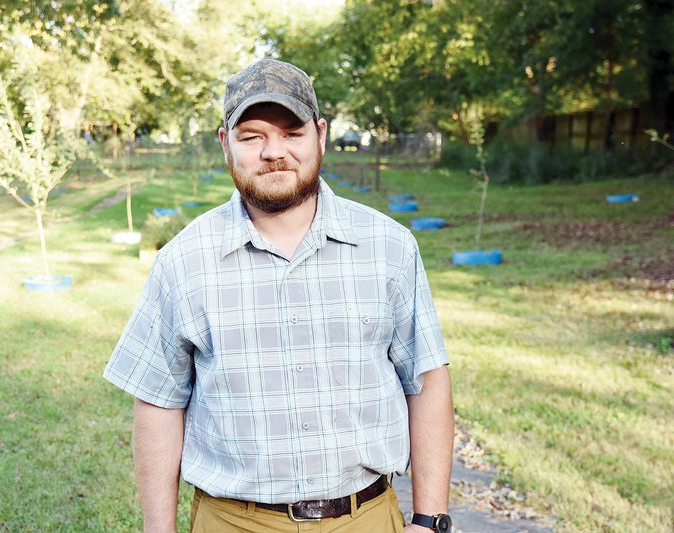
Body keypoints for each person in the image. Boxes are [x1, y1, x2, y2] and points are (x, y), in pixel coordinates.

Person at [104, 58, 454, 533]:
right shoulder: (183, 261)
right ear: (226, 144)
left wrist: (429, 519)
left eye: (292, 133)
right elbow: (159, 403)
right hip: (231, 521)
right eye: (253, 136)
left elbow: (427, 380)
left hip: (364, 518)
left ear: (320, 135)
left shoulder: (389, 247)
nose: (274, 152)